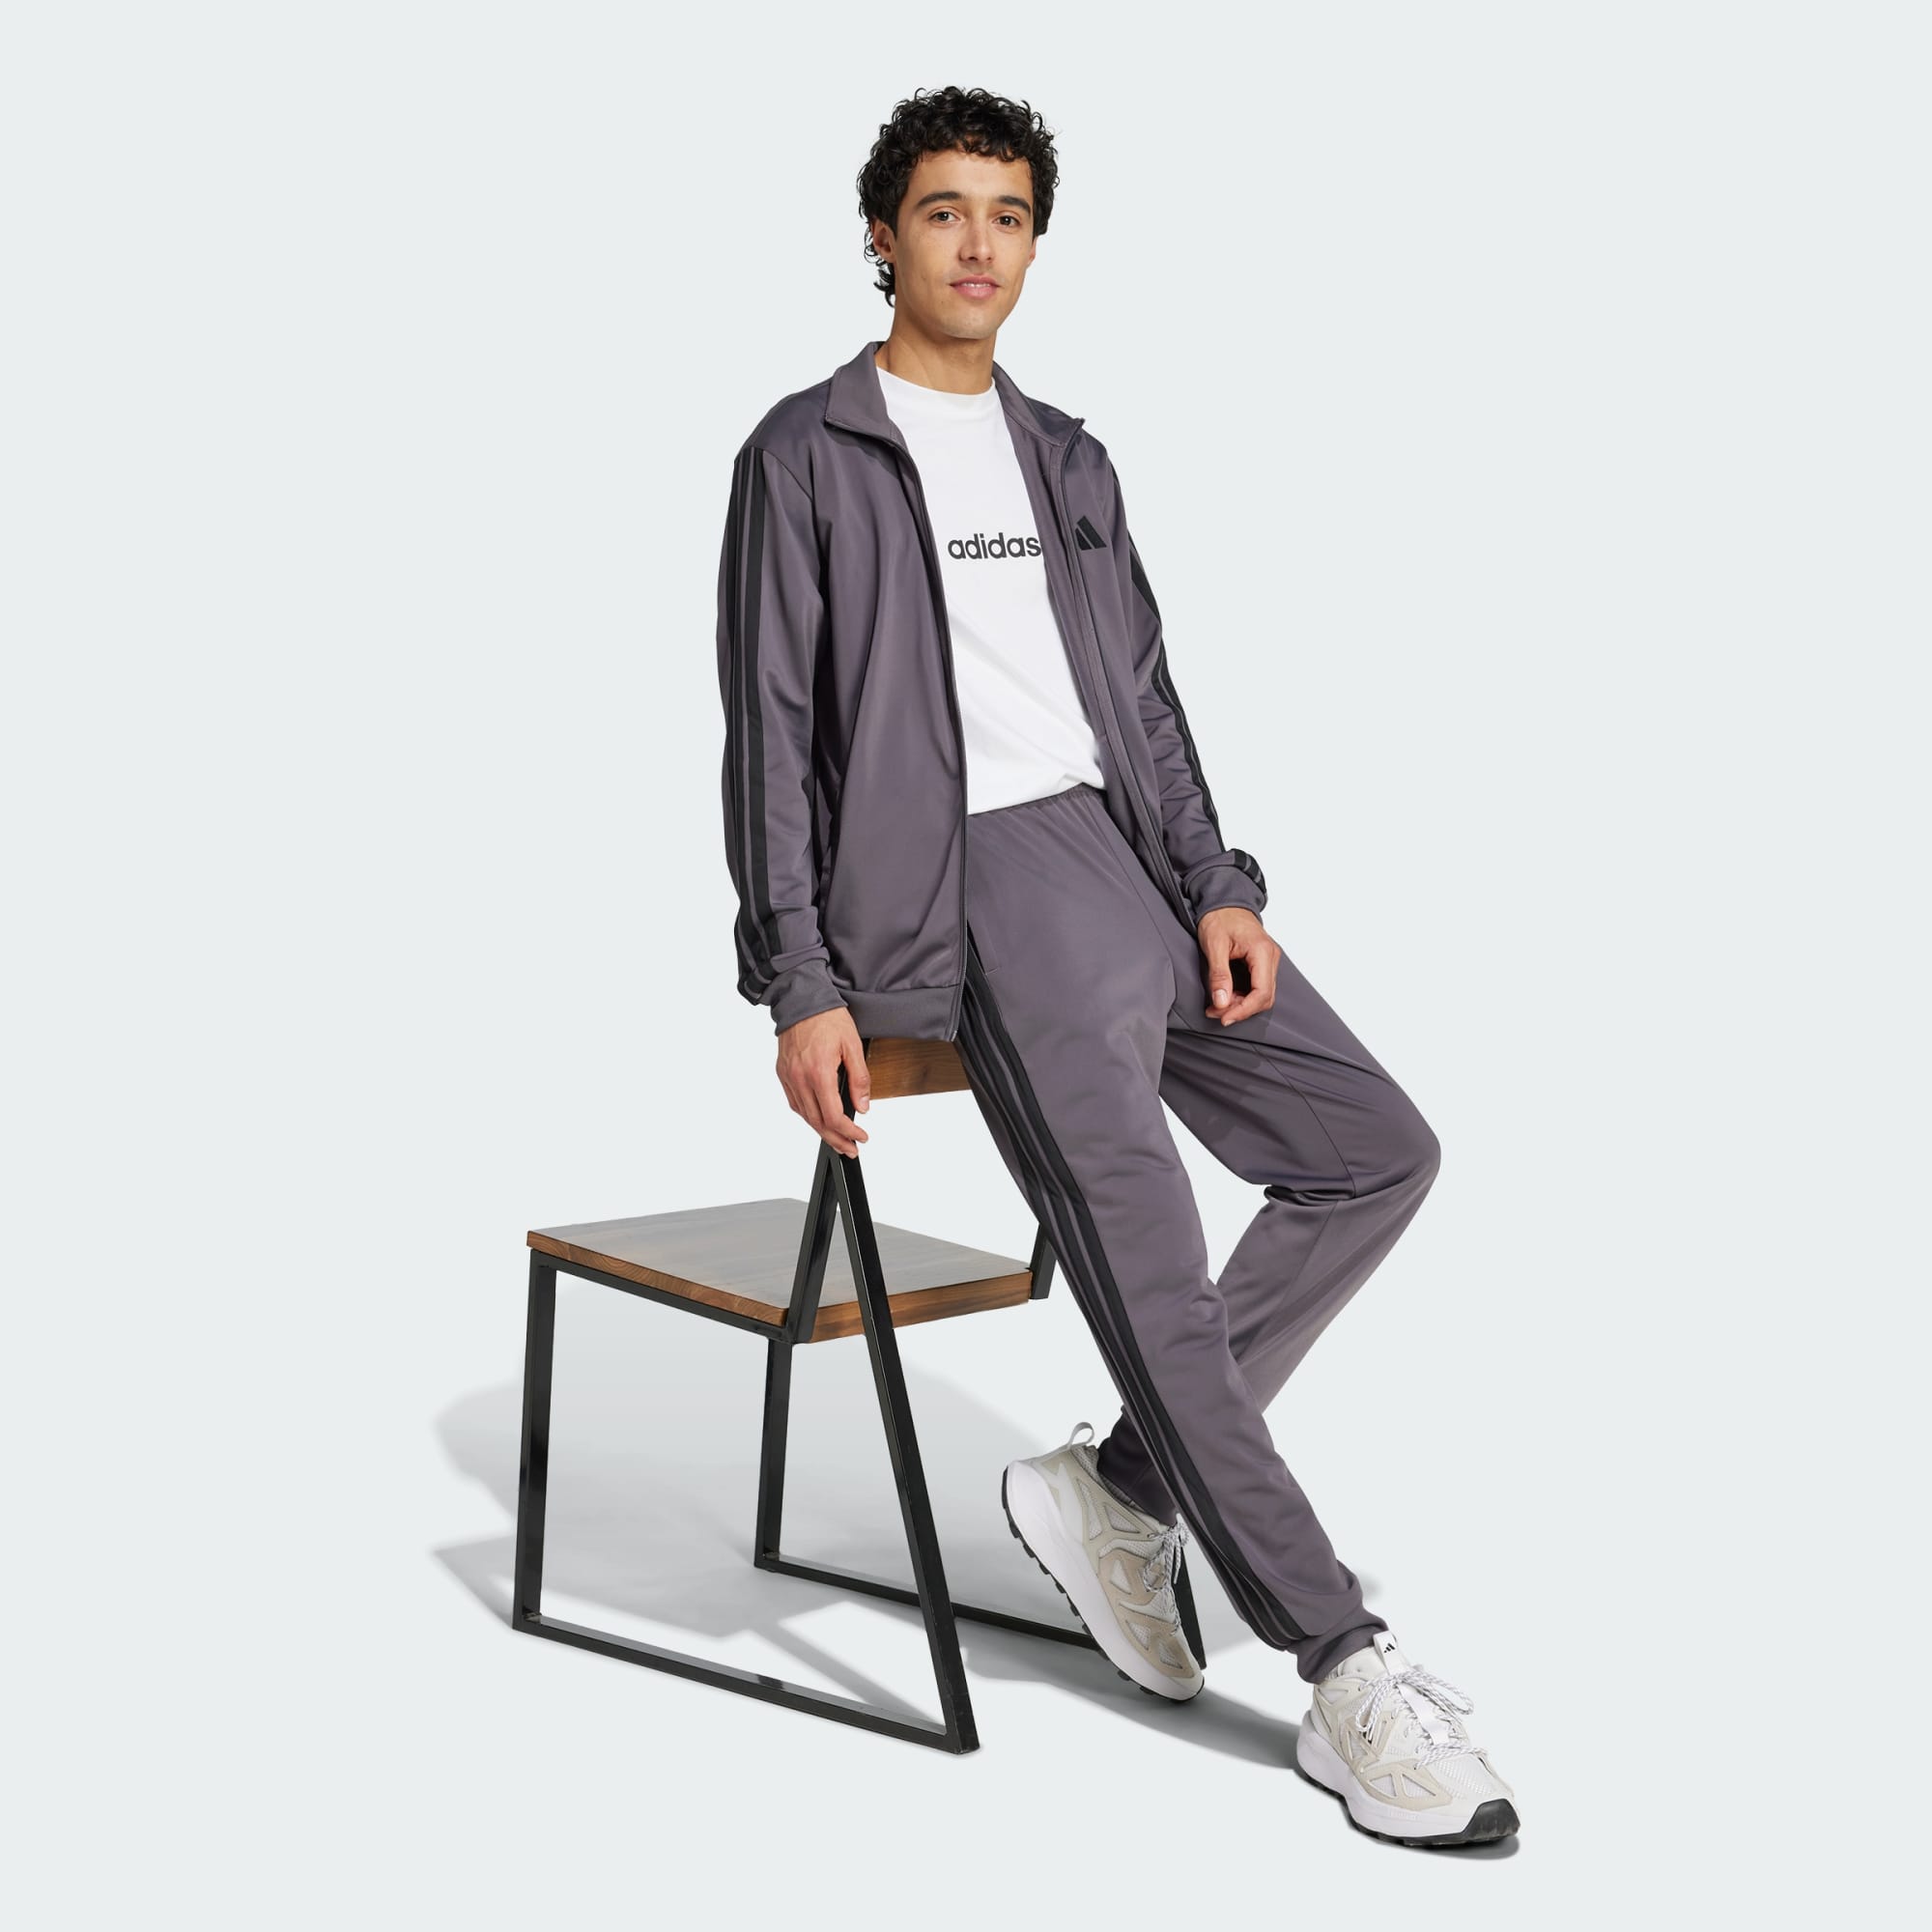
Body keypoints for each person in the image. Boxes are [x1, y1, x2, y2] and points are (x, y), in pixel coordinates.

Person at [714, 84, 1517, 1848]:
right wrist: (802, 980)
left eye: (1008, 214)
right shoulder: (807, 453)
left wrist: (1216, 884)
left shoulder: (1069, 456)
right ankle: (1341, 1662)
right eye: (944, 211)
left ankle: (1123, 1491)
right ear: (882, 237)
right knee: (1152, 1273)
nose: (978, 244)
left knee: (1376, 1150)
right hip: (975, 880)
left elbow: (1141, 697)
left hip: (1132, 859)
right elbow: (769, 733)